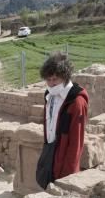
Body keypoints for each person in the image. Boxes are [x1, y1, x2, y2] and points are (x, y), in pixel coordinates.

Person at [36, 52, 89, 190]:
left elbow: (76, 142)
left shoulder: (76, 102)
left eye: (55, 79)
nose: (52, 84)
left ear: (65, 77)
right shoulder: (49, 95)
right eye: (48, 80)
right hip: (50, 151)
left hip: (64, 157)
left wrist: (68, 175)